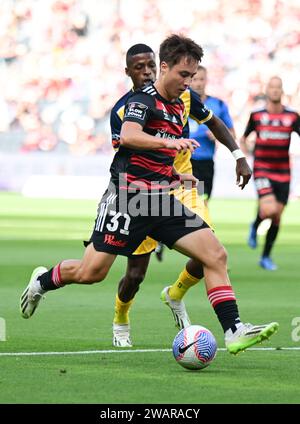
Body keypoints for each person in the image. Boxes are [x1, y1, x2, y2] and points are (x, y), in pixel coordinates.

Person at [20, 34, 278, 355]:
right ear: (165, 68)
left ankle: (234, 329)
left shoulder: (177, 106)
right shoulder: (141, 101)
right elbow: (129, 137)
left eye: (193, 76)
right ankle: (42, 282)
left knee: (215, 254)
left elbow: (154, 159)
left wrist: (175, 173)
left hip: (161, 199)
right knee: (92, 273)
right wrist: (168, 144)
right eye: (183, 75)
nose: (189, 83)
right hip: (128, 199)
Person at [110, 43, 212, 347]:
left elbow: (213, 122)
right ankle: (121, 317)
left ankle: (175, 294)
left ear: (160, 66)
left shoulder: (182, 97)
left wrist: (236, 154)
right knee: (135, 275)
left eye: (150, 66)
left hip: (183, 185)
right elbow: (128, 152)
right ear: (127, 71)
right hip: (144, 192)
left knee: (210, 254)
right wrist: (167, 145)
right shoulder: (123, 110)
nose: (146, 72)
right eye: (139, 67)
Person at [240, 76, 300, 271]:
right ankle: (256, 224)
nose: (275, 91)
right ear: (267, 90)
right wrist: (246, 156)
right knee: (270, 209)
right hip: (262, 168)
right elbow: (244, 138)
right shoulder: (257, 116)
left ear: (282, 91)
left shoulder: (292, 116)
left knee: (276, 217)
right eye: (272, 87)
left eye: (278, 88)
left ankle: (265, 256)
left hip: (283, 171)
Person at [189, 65, 235, 205]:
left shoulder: (218, 105)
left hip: (206, 162)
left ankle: (199, 226)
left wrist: (217, 134)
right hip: (184, 161)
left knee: (202, 202)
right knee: (188, 203)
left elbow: (232, 133)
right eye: (195, 79)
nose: (198, 83)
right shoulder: (180, 103)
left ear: (206, 81)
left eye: (201, 79)